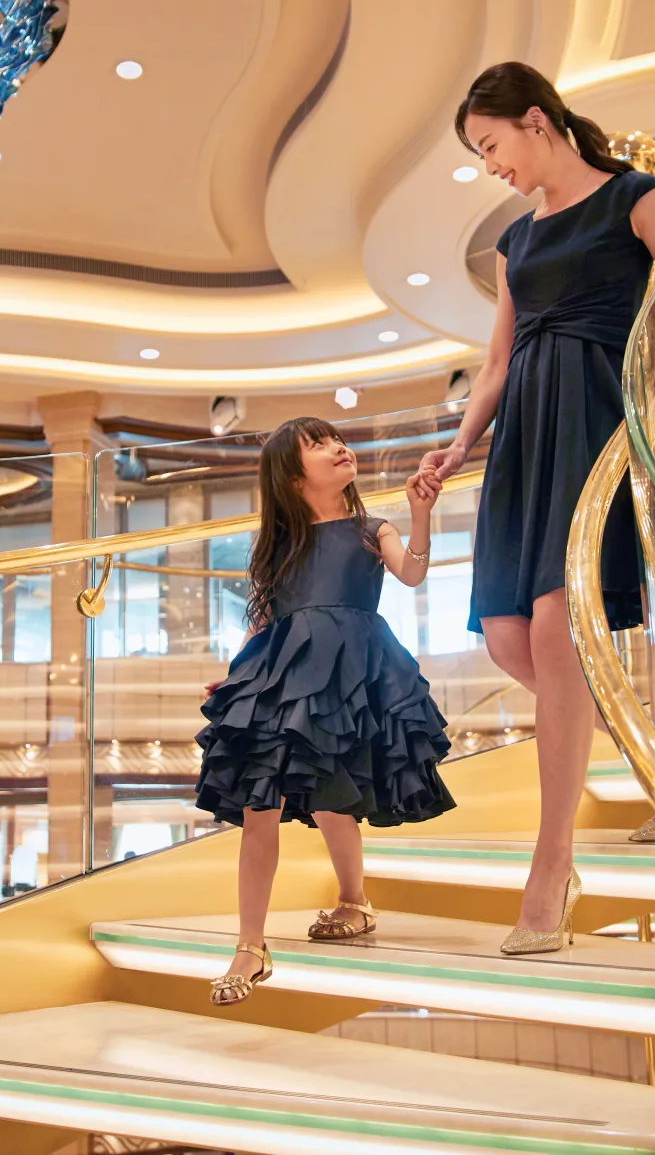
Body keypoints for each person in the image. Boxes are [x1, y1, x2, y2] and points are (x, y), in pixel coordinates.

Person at [417, 62, 655, 955]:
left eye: (492, 144)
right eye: (480, 153)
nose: (491, 165)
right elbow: (497, 361)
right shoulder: (514, 243)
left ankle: (553, 865)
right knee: (508, 639)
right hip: (525, 439)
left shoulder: (635, 199)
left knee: (558, 630)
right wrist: (460, 444)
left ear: (537, 120)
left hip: (596, 426)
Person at [195, 417, 455, 1006]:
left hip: (352, 671)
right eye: (318, 445)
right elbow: (264, 621)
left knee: (336, 796)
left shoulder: (371, 529)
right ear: (292, 477)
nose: (338, 448)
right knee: (261, 803)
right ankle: (250, 945)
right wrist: (238, 677)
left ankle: (355, 901)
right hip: (286, 675)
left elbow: (412, 573)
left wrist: (420, 514)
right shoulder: (277, 547)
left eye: (337, 439)